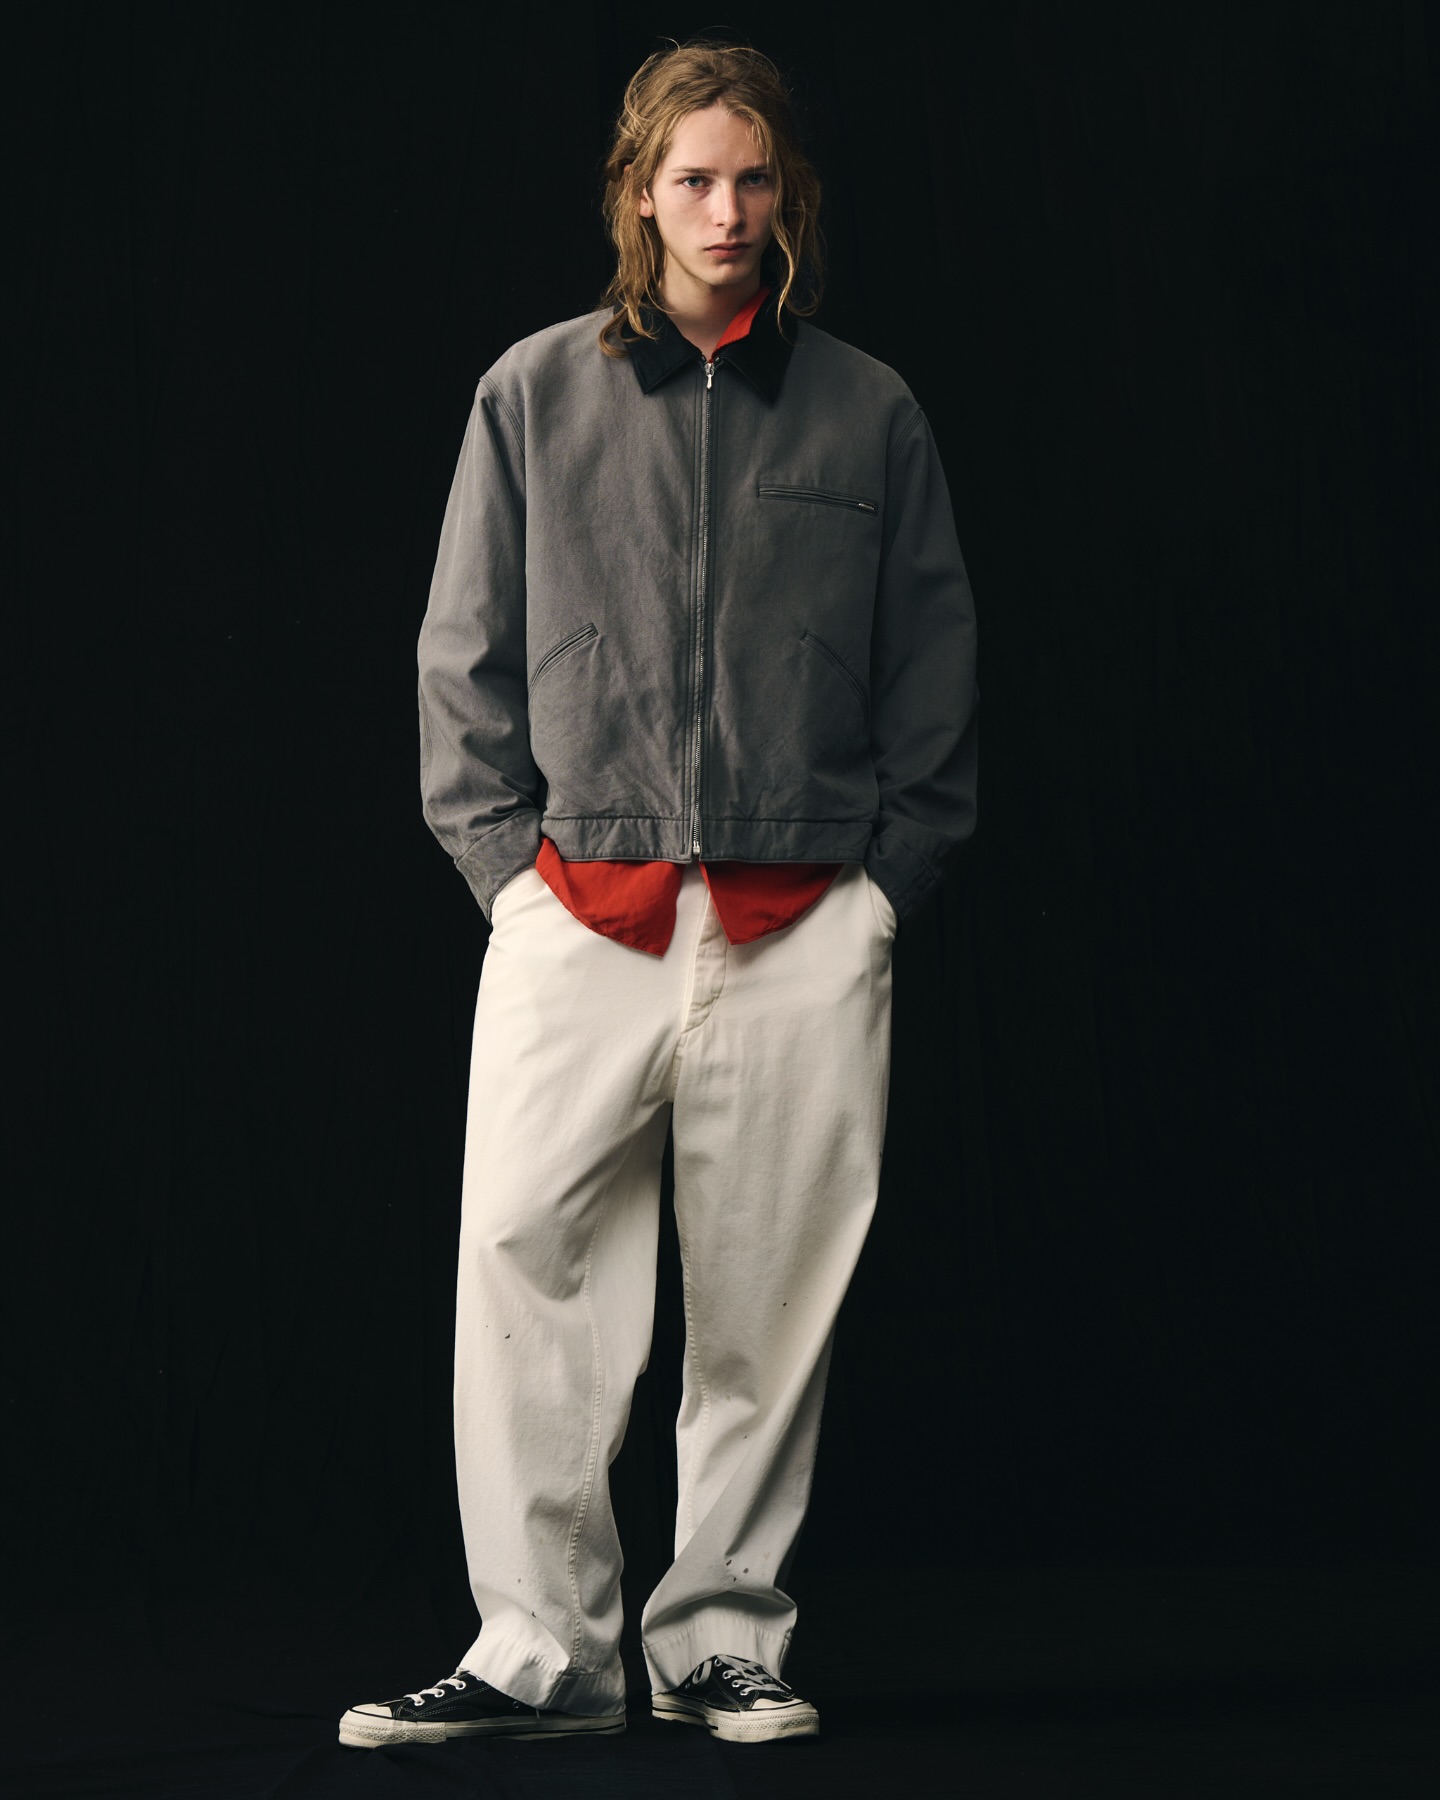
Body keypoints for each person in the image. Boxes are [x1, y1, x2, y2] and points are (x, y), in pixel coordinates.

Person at [339, 39, 977, 1750]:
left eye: (754, 178)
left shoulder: (869, 409)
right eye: (693, 177)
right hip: (581, 908)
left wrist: (885, 889)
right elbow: (461, 653)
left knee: (769, 1300)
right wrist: (509, 877)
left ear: (789, 198)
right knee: (525, 1268)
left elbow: (933, 663)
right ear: (639, 194)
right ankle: (541, 1650)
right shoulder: (533, 394)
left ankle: (719, 1643)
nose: (726, 209)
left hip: (801, 917)